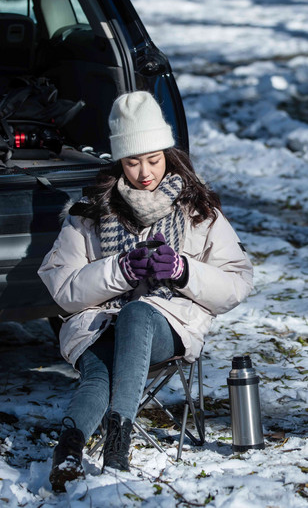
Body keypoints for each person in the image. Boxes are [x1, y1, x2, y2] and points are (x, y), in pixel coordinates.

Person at [38, 91, 253, 492]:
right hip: (100, 325)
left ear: (168, 154)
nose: (144, 172)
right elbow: (63, 289)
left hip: (169, 325)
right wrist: (118, 270)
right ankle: (68, 450)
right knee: (99, 372)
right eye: (133, 162)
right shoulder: (89, 213)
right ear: (119, 160)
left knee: (138, 313)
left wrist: (183, 270)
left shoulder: (197, 209)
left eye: (153, 159)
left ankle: (118, 444)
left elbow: (236, 284)